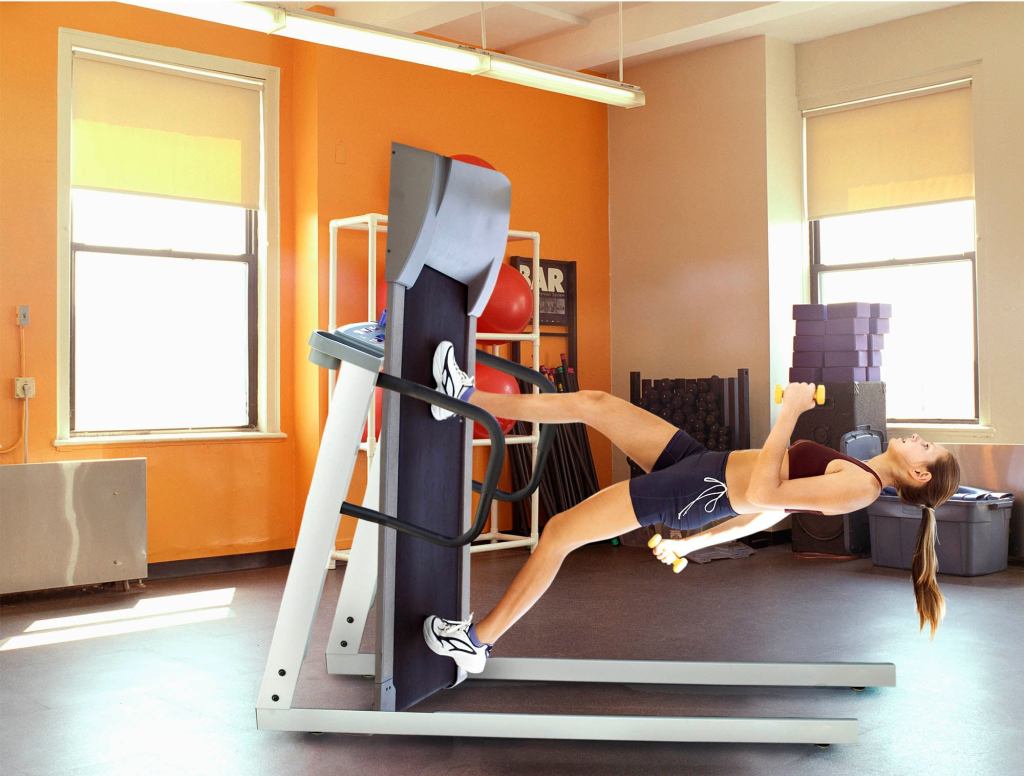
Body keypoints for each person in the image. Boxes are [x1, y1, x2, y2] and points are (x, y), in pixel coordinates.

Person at [422, 342, 961, 673]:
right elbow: (770, 513)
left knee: (561, 531)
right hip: (701, 464)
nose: (917, 438)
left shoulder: (860, 489)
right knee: (596, 404)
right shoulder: (858, 471)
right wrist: (695, 542)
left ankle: (477, 642)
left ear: (918, 475)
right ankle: (466, 400)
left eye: (926, 448)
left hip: (693, 492)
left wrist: (790, 412)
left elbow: (768, 493)